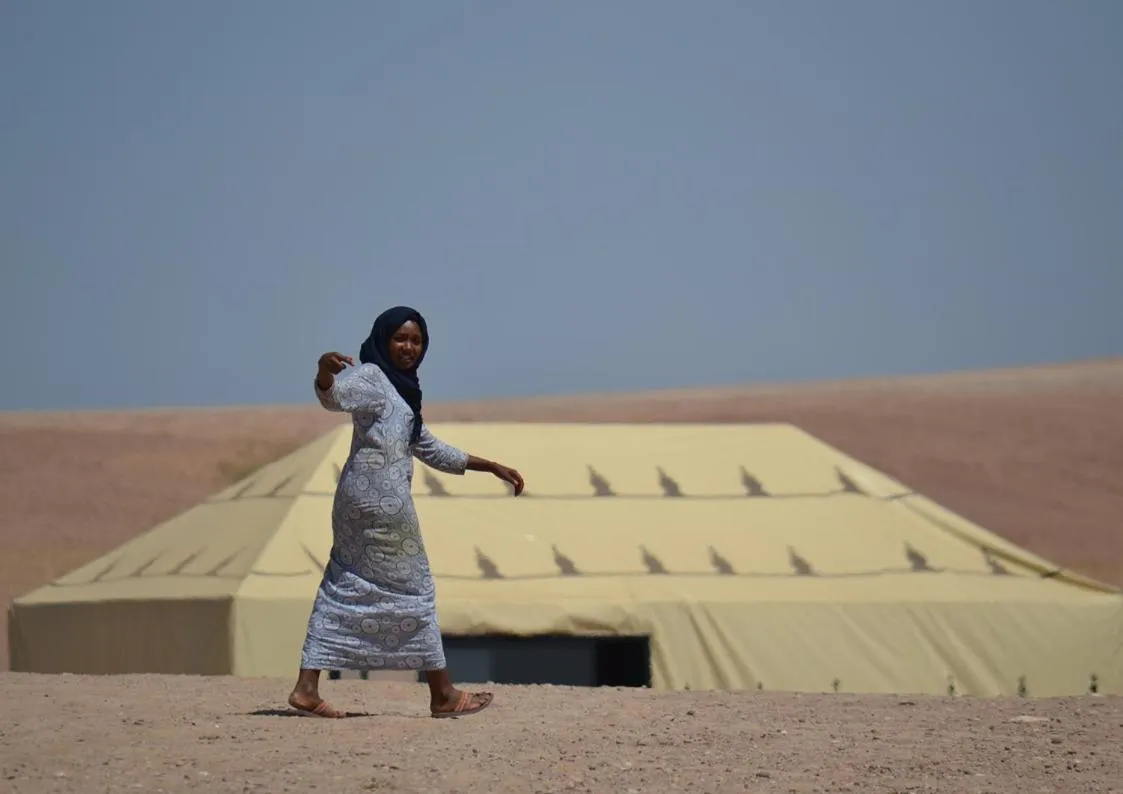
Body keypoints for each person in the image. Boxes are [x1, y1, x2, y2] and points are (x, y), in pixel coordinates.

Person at [287, 305, 525, 719]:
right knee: (416, 588)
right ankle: (443, 695)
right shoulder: (374, 377)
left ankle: (307, 689)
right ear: (383, 339)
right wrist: (324, 372)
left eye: (416, 341)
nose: (408, 347)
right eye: (400, 338)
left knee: (342, 581)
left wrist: (490, 466)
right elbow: (335, 397)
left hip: (354, 503)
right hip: (383, 503)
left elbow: (427, 445)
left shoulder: (400, 390)